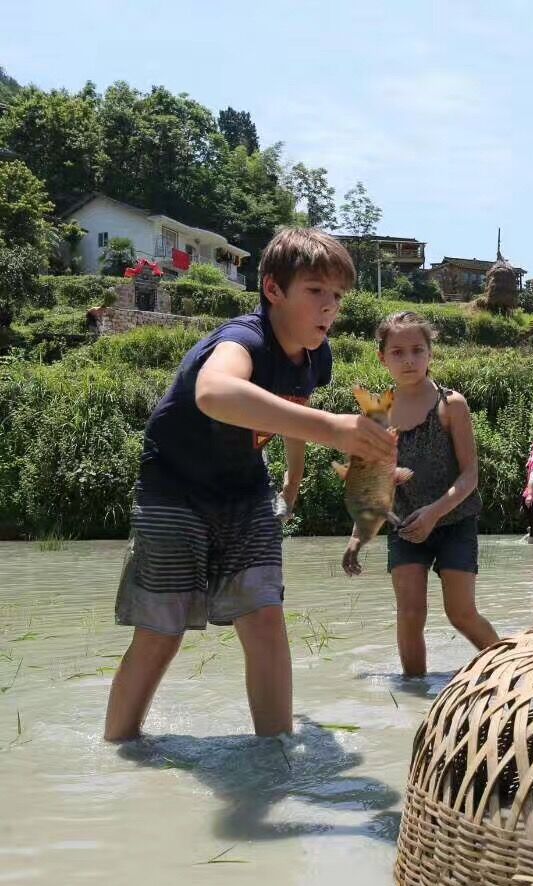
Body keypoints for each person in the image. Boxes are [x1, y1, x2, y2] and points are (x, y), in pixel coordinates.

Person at [105, 227, 396, 741]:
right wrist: (335, 429)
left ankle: (275, 755)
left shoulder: (315, 354)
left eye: (337, 297)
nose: (329, 308)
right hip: (175, 488)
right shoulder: (244, 339)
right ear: (272, 290)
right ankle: (119, 751)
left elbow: (295, 411)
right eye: (315, 291)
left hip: (245, 489)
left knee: (264, 621)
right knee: (161, 632)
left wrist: (293, 479)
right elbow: (215, 393)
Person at [342, 312, 498, 676]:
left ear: (431, 353)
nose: (408, 360)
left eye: (417, 350)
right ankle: (415, 698)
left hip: (454, 520)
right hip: (406, 528)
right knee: (410, 615)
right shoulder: (377, 416)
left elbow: (470, 475)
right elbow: (370, 484)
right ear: (382, 358)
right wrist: (357, 538)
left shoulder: (451, 405)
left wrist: (434, 513)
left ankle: (511, 672)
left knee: (461, 614)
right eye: (397, 352)